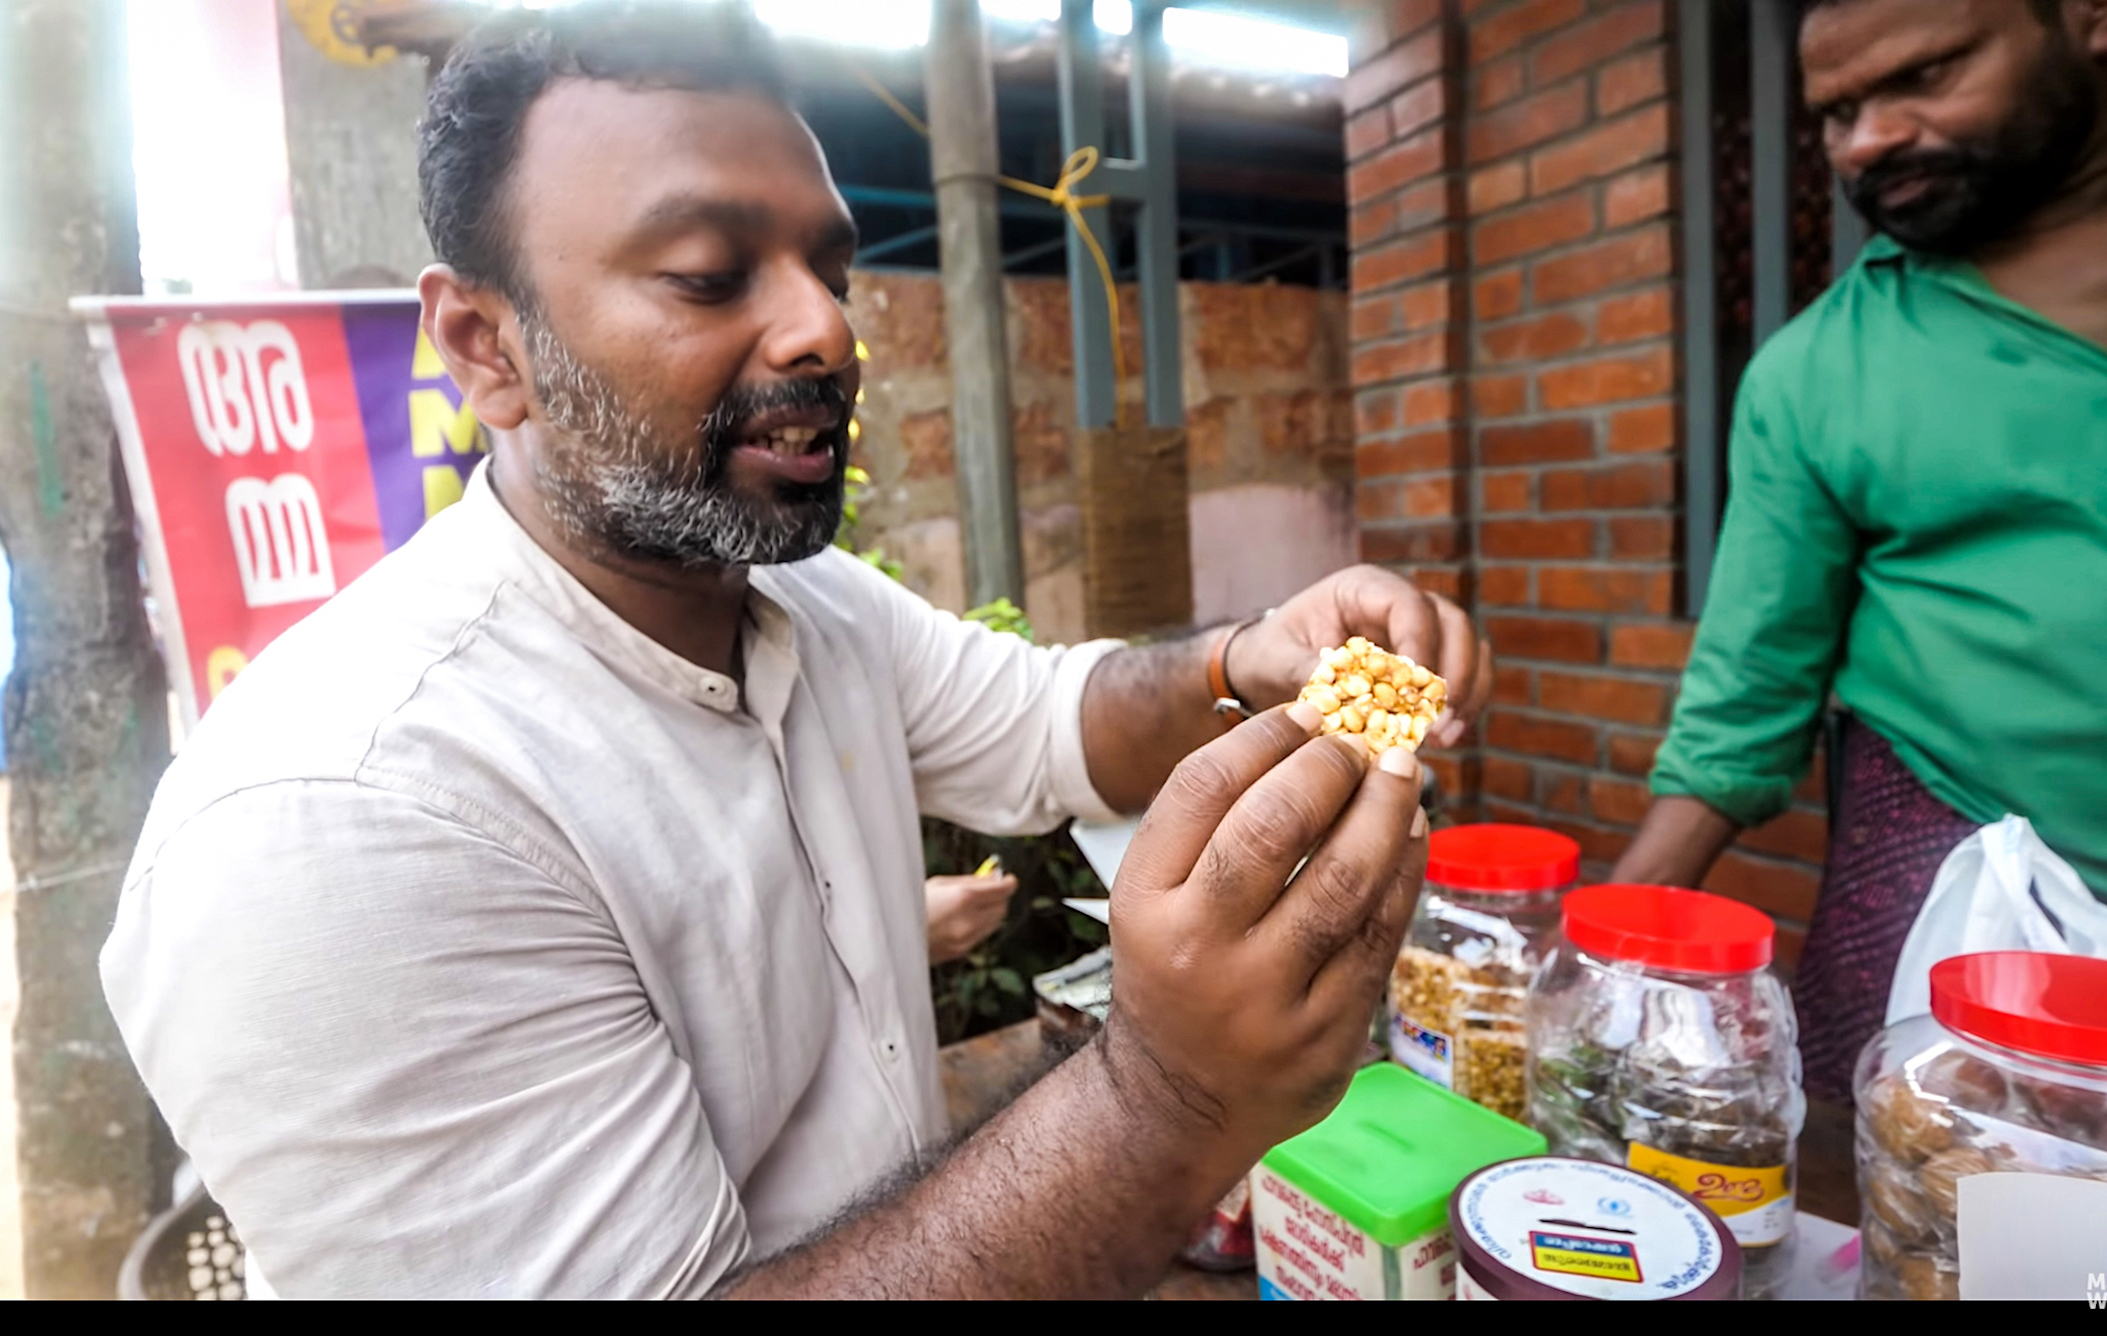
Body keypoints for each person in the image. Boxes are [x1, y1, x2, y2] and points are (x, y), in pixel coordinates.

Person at [99, 3, 1495, 1300]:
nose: (829, 326)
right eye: (710, 275)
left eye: (829, 264)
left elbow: (1057, 721)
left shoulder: (808, 602)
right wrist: (1170, 1102)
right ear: (485, 345)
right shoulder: (342, 821)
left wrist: (1258, 654)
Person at [1612, 0, 2107, 1105]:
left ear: (2097, 15)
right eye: (1835, 113)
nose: (1867, 138)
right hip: (1954, 900)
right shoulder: (1816, 375)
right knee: (1936, 1225)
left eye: (1925, 73)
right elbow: (1745, 697)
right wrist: (1603, 958)